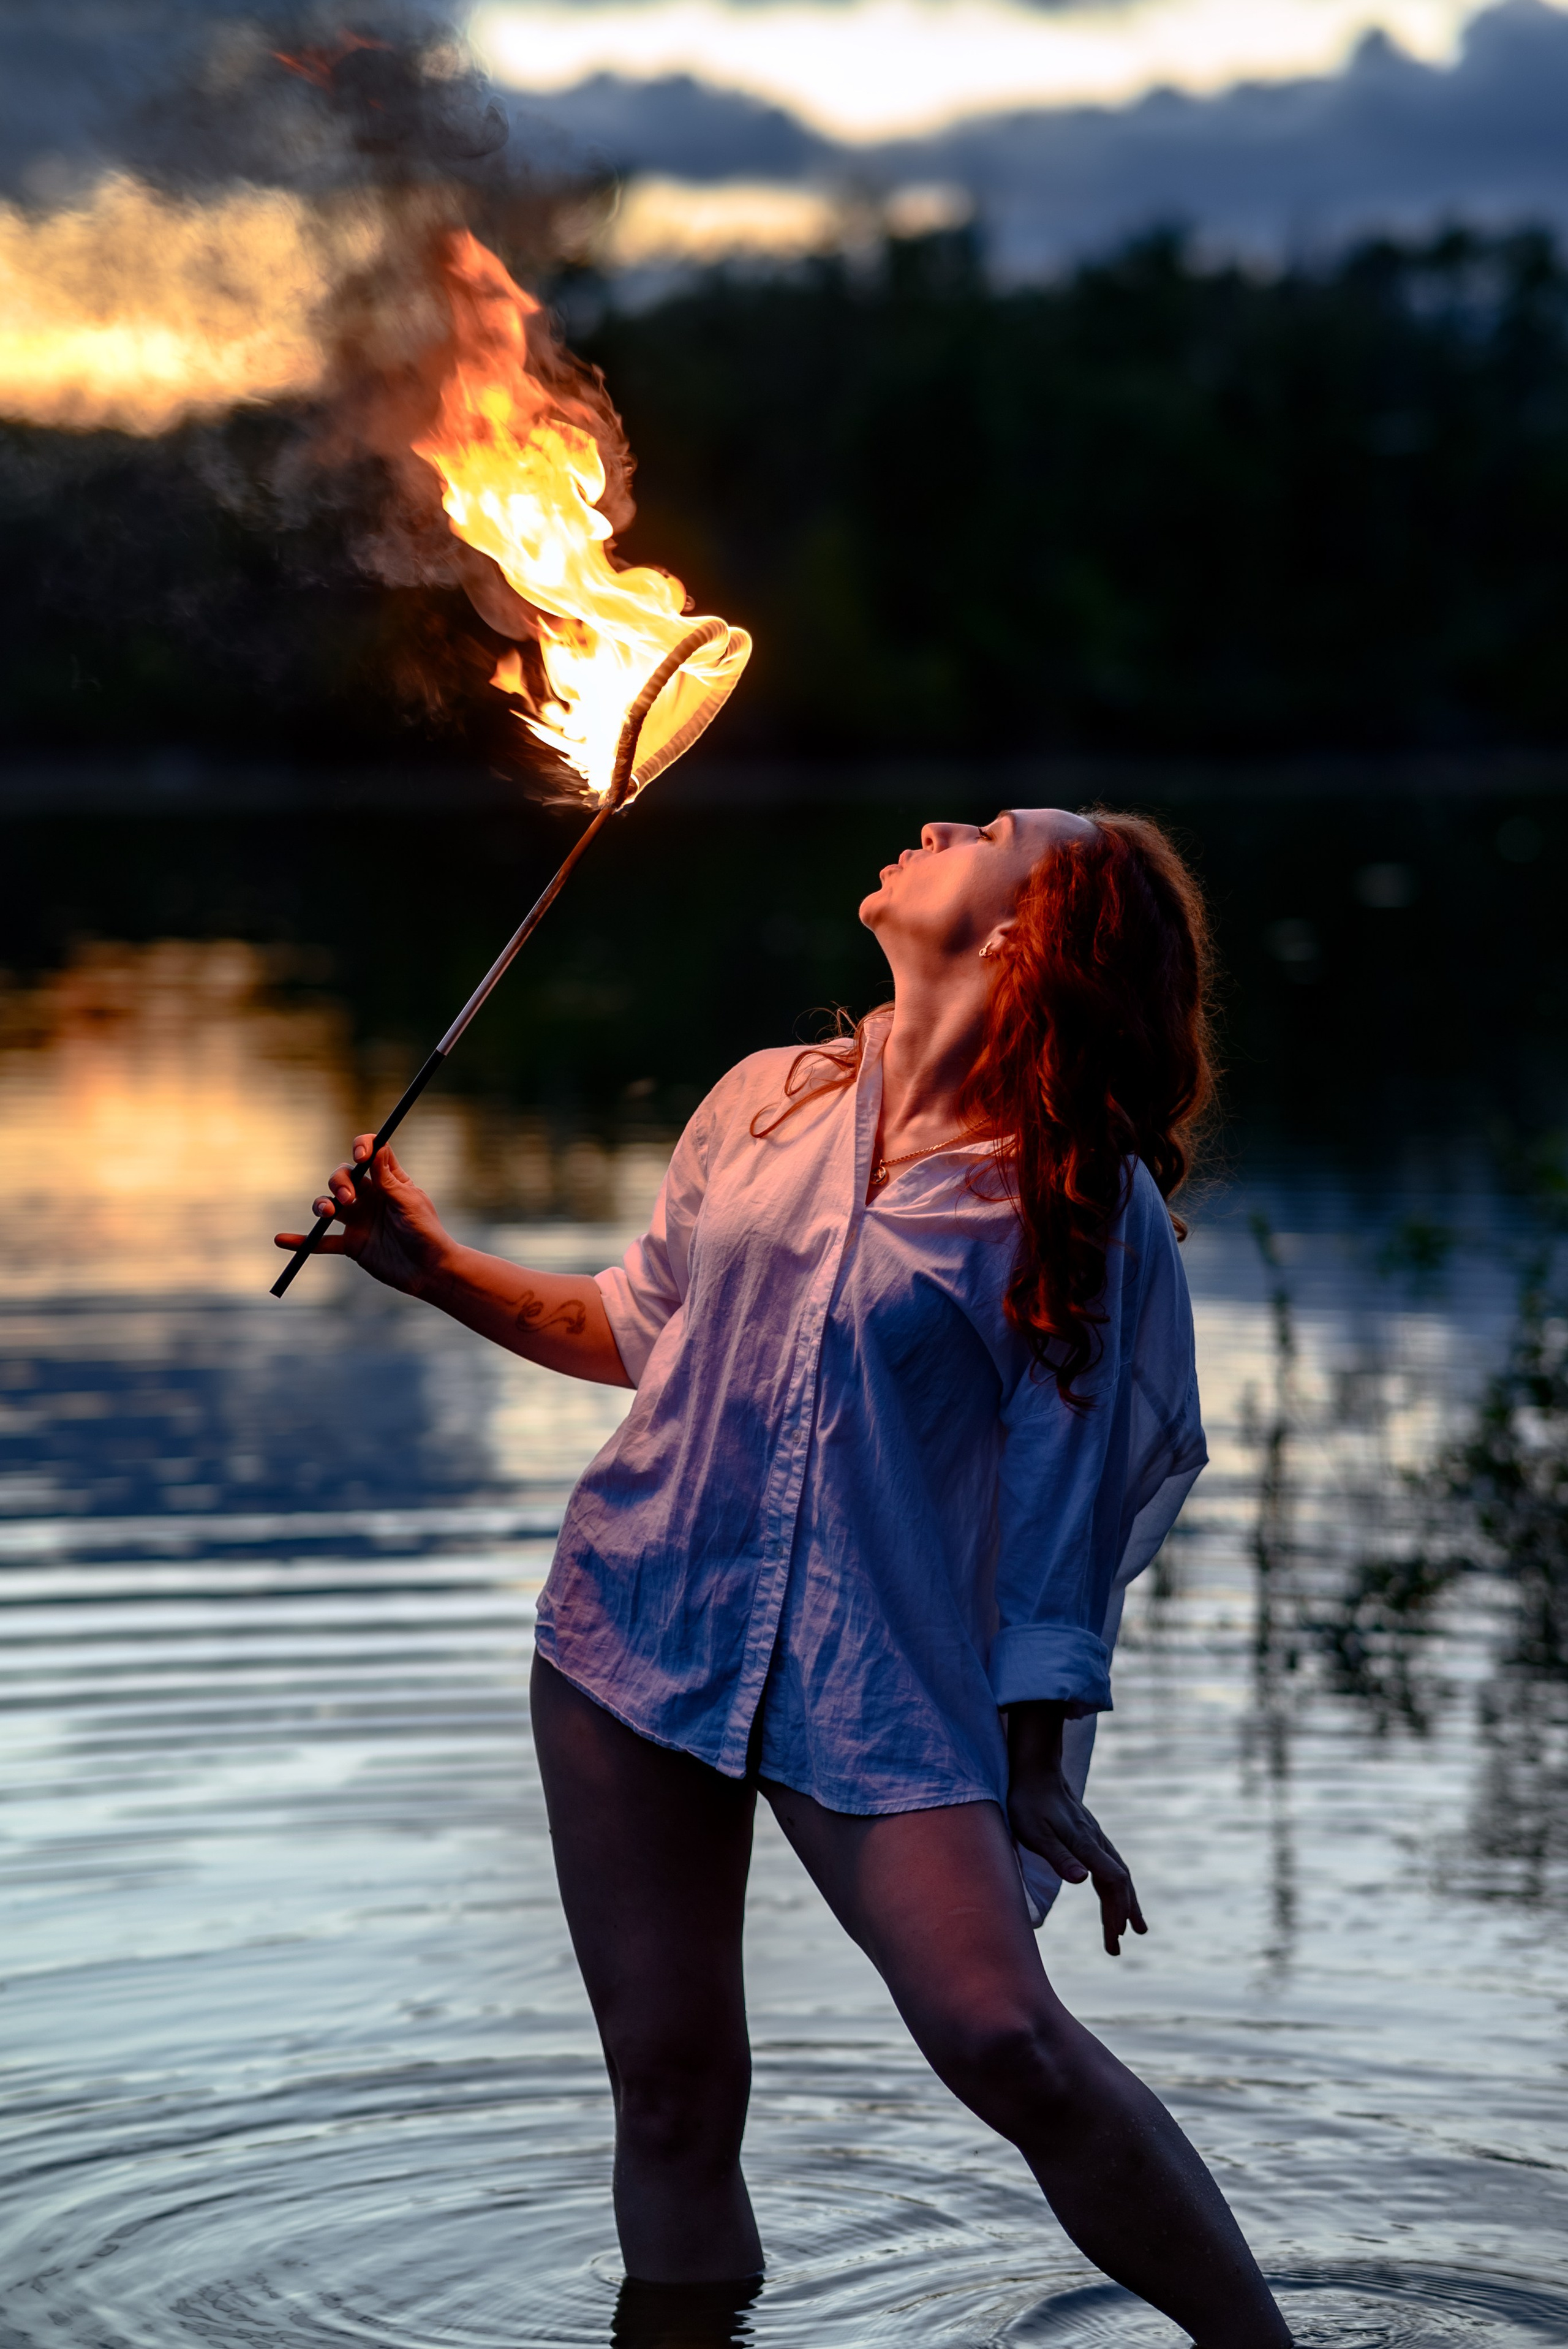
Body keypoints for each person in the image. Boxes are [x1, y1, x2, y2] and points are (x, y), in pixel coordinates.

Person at [279, 807, 1292, 2347]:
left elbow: (1066, 1511)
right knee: (674, 2096)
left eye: (991, 832)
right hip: (633, 1630)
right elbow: (642, 1331)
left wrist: (1034, 1755)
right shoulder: (764, 1101)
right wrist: (433, 1266)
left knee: (1003, 2032)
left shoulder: (1074, 1200)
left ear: (1023, 931)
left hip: (871, 1670)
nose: (941, 822)